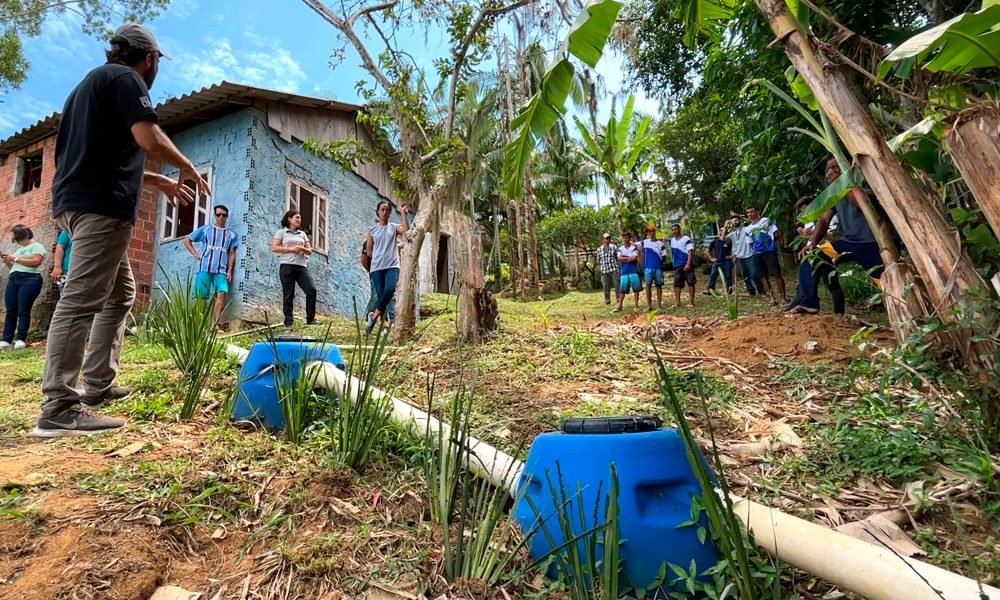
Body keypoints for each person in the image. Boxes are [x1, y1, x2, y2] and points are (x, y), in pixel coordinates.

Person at [34, 23, 211, 438]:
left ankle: (97, 384)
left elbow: (98, 155)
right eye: (156, 64)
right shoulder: (127, 79)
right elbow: (147, 136)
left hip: (78, 203)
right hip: (102, 208)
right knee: (80, 300)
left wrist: (156, 181)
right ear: (149, 59)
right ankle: (58, 406)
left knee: (120, 293)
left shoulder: (85, 89)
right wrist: (183, 164)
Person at [788, 159, 885, 315]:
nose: (830, 172)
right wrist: (813, 243)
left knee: (886, 283)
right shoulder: (834, 192)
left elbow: (862, 203)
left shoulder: (866, 181)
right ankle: (808, 303)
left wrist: (845, 183)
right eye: (828, 169)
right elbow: (824, 219)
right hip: (849, 242)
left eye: (835, 167)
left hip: (873, 243)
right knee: (812, 257)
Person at [184, 204, 238, 325]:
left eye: (224, 215)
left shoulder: (231, 235)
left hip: (221, 271)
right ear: (215, 215)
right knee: (201, 298)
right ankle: (199, 325)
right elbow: (187, 240)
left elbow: (232, 253)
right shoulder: (206, 229)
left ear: (227, 216)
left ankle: (215, 325)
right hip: (204, 268)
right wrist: (196, 254)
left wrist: (230, 270)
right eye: (218, 214)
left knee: (222, 293)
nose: (221, 217)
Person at [366, 200, 409, 332]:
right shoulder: (372, 230)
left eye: (387, 210)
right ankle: (384, 324)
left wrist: (402, 213)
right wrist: (381, 254)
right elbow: (369, 252)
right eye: (382, 210)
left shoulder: (393, 227)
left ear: (390, 213)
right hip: (377, 268)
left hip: (392, 266)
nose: (385, 212)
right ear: (378, 211)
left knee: (389, 291)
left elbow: (405, 229)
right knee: (380, 296)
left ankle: (374, 317)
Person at [2, 225, 47, 350]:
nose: (18, 242)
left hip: (30, 279)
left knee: (23, 310)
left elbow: (35, 262)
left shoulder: (37, 246)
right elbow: (14, 267)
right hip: (13, 279)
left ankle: (20, 338)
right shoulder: (18, 251)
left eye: (19, 239)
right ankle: (6, 339)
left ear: (27, 235)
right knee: (11, 311)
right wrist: (8, 260)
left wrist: (15, 258)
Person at [272, 210, 317, 330]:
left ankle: (311, 319)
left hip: (302, 266)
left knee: (311, 289)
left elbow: (309, 250)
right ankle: (289, 322)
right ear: (289, 219)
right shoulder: (281, 232)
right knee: (289, 294)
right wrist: (292, 249)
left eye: (300, 218)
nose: (299, 220)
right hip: (287, 265)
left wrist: (301, 248)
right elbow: (275, 247)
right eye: (297, 217)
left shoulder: (302, 234)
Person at [744, 204, 787, 305]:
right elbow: (750, 243)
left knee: (777, 274)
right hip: (757, 254)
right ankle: (772, 298)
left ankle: (783, 297)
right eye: (748, 212)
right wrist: (755, 250)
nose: (750, 214)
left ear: (758, 212)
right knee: (763, 276)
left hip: (769, 252)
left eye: (752, 211)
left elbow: (776, 233)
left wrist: (771, 244)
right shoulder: (748, 229)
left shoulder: (766, 221)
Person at [725, 216, 764, 297]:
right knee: (745, 275)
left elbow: (752, 223)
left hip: (750, 254)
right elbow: (722, 238)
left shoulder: (746, 229)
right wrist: (725, 225)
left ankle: (761, 291)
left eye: (736, 220)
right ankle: (751, 292)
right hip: (739, 257)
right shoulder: (732, 234)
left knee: (754, 274)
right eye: (733, 221)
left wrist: (745, 220)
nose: (734, 222)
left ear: (740, 221)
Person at [669, 223, 696, 307]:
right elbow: (663, 239)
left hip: (686, 263)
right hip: (677, 265)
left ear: (679, 229)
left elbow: (690, 251)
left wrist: (688, 263)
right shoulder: (672, 240)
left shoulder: (686, 239)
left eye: (676, 229)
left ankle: (691, 302)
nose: (674, 231)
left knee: (691, 282)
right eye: (673, 230)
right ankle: (677, 302)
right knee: (676, 284)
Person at [614, 232, 641, 312]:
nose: (626, 239)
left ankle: (636, 306)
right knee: (622, 290)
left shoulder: (634, 248)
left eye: (627, 237)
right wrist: (630, 258)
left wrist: (625, 258)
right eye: (624, 238)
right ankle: (620, 306)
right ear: (622, 239)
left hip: (633, 271)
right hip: (624, 272)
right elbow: (619, 258)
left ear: (630, 238)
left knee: (636, 289)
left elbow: (635, 258)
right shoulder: (620, 248)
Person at [641, 225, 666, 310]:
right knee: (648, 285)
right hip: (648, 267)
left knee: (659, 285)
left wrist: (660, 264)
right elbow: (634, 244)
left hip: (658, 267)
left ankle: (659, 305)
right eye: (648, 231)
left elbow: (664, 256)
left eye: (651, 231)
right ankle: (649, 305)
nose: (649, 233)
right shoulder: (645, 242)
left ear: (654, 232)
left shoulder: (661, 244)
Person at [705, 227, 733, 295]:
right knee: (713, 275)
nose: (722, 231)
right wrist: (711, 258)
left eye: (724, 230)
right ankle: (710, 290)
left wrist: (731, 256)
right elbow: (707, 251)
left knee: (728, 276)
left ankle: (730, 291)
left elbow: (733, 250)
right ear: (718, 232)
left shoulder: (728, 241)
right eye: (721, 230)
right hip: (717, 261)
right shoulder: (714, 242)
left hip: (726, 261)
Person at [596, 233, 618, 305]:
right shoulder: (599, 249)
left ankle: (618, 298)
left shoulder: (614, 247)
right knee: (605, 285)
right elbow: (598, 260)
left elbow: (616, 257)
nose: (608, 240)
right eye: (606, 238)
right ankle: (607, 300)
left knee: (616, 284)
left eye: (609, 238)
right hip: (604, 269)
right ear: (603, 240)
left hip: (613, 268)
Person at [51, 228, 72, 293]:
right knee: (67, 297)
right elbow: (60, 247)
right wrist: (57, 267)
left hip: (90, 270)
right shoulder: (68, 230)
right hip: (68, 270)